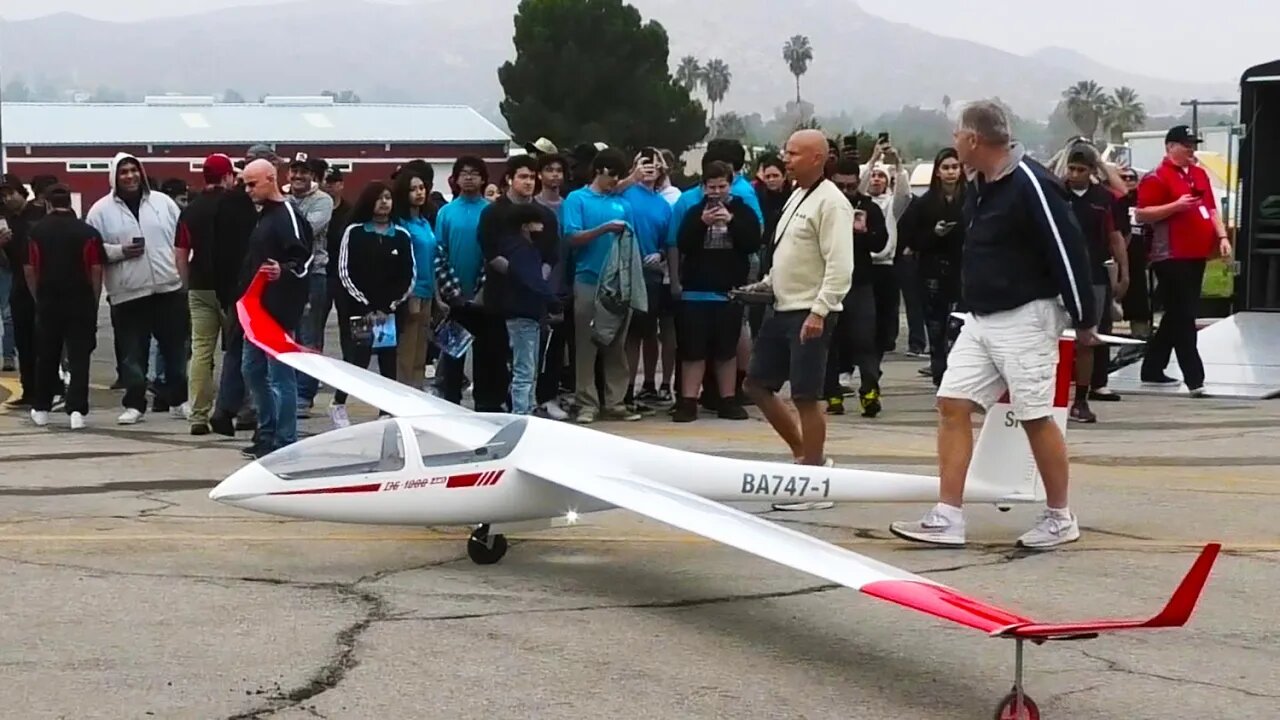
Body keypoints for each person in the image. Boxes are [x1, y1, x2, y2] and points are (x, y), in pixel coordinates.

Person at [889, 100, 1097, 550]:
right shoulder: (979, 183)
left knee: (1035, 416)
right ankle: (948, 515)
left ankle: (1060, 516)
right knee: (952, 401)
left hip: (1027, 316)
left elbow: (1068, 250)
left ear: (973, 139)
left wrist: (1084, 321)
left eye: (956, 134)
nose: (953, 142)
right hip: (980, 318)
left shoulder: (1032, 185)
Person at [742, 129, 854, 473]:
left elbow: (840, 264)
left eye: (792, 154)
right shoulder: (796, 195)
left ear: (817, 158)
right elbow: (788, 253)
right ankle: (805, 454)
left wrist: (820, 311)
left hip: (810, 311)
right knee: (756, 385)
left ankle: (814, 472)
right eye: (785, 152)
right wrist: (764, 284)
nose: (785, 159)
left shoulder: (832, 202)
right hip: (782, 307)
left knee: (807, 396)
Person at [84, 153, 187, 425]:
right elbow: (90, 251)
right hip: (128, 293)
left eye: (133, 170)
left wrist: (183, 275)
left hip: (168, 287)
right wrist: (119, 251)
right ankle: (134, 404)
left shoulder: (163, 203)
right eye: (123, 172)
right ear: (114, 177)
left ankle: (179, 400)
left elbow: (182, 238)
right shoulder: (100, 211)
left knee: (175, 349)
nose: (129, 176)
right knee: (133, 354)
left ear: (141, 173)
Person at [1136, 125, 1232, 397]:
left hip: (1196, 252)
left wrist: (1222, 236)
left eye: (1192, 144)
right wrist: (1175, 206)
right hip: (1170, 255)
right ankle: (1195, 378)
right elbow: (1143, 214)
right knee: (1185, 315)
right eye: (1184, 144)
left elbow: (1211, 207)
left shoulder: (1199, 174)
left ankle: (1153, 367)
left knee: (1178, 312)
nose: (1190, 149)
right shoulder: (1157, 177)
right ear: (1170, 147)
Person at [671, 161, 762, 423]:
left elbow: (752, 243)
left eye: (722, 186)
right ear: (703, 187)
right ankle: (688, 401)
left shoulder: (743, 211)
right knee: (692, 351)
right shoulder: (693, 211)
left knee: (727, 350)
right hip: (696, 293)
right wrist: (702, 223)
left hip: (729, 293)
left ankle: (728, 399)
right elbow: (683, 243)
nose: (717, 192)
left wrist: (731, 221)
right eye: (711, 187)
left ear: (730, 185)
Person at [236, 159, 314, 459]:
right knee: (252, 370)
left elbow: (305, 257)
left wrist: (285, 269)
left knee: (280, 376)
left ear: (270, 179)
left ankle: (285, 439)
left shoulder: (287, 215)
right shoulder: (265, 216)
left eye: (252, 183)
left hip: (279, 310)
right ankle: (267, 431)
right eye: (245, 184)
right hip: (255, 308)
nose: (248, 190)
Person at [562, 149, 642, 425]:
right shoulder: (577, 199)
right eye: (612, 176)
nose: (615, 182)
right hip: (588, 280)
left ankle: (616, 401)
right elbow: (571, 237)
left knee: (616, 344)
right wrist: (604, 229)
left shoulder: (623, 204)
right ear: (599, 171)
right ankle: (587, 403)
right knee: (587, 344)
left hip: (618, 284)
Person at [330, 180, 415, 427]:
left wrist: (389, 307)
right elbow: (344, 271)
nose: (384, 202)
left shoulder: (401, 235)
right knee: (358, 358)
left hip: (389, 312)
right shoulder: (354, 232)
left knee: (388, 360)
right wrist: (366, 306)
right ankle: (338, 403)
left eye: (388, 197)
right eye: (379, 198)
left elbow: (409, 275)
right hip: (360, 311)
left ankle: (386, 410)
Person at [24, 185, 103, 429]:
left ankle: (41, 407)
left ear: (48, 204)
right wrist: (94, 299)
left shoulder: (36, 232)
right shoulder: (88, 232)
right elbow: (96, 269)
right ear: (71, 203)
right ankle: (77, 411)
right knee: (79, 356)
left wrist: (38, 297)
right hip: (80, 299)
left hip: (49, 299)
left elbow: (30, 269)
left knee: (47, 354)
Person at [1060, 143, 1128, 423]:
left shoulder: (1103, 198)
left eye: (1081, 169)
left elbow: (1114, 236)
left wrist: (1125, 272)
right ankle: (1051, 396)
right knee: (1055, 338)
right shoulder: (1056, 192)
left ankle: (1081, 400)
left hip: (1094, 276)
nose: (1074, 174)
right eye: (1072, 168)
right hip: (1060, 276)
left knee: (1087, 339)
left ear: (1091, 171)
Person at [176, 153, 238, 436]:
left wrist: (187, 284)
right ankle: (228, 409)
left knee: (201, 349)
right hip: (232, 287)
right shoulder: (237, 205)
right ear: (227, 176)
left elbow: (181, 253)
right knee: (236, 350)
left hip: (200, 284)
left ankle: (198, 415)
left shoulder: (191, 210)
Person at [824, 157, 888, 419]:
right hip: (828, 282)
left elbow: (880, 244)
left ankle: (870, 390)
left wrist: (865, 233)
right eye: (841, 186)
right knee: (829, 341)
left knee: (865, 339)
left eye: (851, 187)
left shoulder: (868, 207)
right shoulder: (824, 204)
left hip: (859, 282)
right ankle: (831, 393)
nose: (846, 192)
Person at [899, 148, 966, 387]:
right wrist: (933, 234)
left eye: (954, 167)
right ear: (938, 171)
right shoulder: (924, 203)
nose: (950, 172)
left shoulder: (970, 199)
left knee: (960, 328)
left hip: (963, 271)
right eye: (946, 168)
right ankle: (940, 377)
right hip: (932, 272)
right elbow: (907, 238)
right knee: (936, 328)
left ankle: (960, 377)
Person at [497, 203, 560, 415]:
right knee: (524, 369)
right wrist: (552, 300)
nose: (541, 227)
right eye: (536, 223)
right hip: (523, 313)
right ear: (525, 225)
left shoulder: (515, 248)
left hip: (525, 313)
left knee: (528, 368)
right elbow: (532, 280)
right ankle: (522, 413)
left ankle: (529, 407)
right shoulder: (522, 251)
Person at [390, 169, 439, 391]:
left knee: (421, 350)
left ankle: (417, 392)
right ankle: (403, 393)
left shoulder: (425, 222)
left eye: (421, 188)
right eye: (412, 189)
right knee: (407, 351)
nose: (419, 193)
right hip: (411, 291)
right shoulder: (401, 224)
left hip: (428, 290)